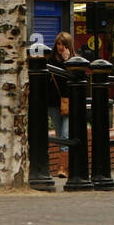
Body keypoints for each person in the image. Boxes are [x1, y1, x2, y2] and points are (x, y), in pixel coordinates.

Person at [48, 32, 73, 179]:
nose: (61, 47)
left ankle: (62, 168)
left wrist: (67, 61)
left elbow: (72, 81)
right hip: (54, 104)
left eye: (63, 44)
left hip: (69, 104)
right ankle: (66, 166)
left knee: (65, 135)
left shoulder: (74, 60)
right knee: (59, 136)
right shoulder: (50, 61)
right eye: (58, 43)